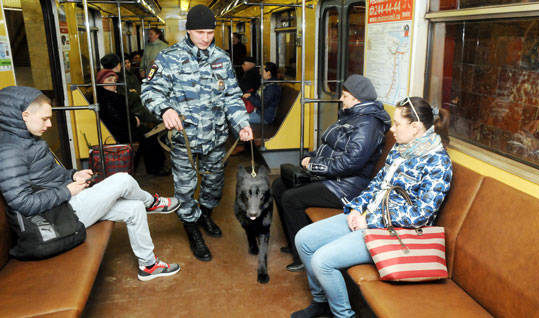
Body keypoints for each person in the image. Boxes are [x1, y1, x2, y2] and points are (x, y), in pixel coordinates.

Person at [292, 97, 453, 318]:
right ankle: (321, 302)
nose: (392, 129)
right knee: (304, 239)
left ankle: (344, 315)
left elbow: (421, 215)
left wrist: (370, 220)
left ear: (415, 127)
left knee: (323, 260)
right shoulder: (400, 148)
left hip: (394, 233)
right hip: (368, 218)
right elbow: (377, 183)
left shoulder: (438, 162)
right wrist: (357, 208)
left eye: (397, 124)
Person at [0, 86, 182, 281]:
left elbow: (47, 176)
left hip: (64, 206)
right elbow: (22, 203)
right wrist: (67, 191)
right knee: (122, 179)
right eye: (45, 119)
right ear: (25, 115)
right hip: (57, 217)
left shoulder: (29, 139)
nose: (50, 124)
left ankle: (148, 266)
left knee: (134, 208)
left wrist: (73, 176)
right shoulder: (10, 151)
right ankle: (152, 203)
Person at [141, 4, 253, 262]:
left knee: (213, 185)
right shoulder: (170, 58)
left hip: (216, 139)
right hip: (185, 140)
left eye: (210, 33)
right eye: (200, 32)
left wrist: (242, 123)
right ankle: (192, 229)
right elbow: (149, 90)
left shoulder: (222, 59)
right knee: (185, 188)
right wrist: (165, 108)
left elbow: (232, 97)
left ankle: (205, 216)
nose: (205, 38)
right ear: (188, 31)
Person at [272, 75, 391, 272]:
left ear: (357, 99)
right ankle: (294, 243)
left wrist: (313, 165)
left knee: (291, 198)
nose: (341, 99)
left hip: (347, 187)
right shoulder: (351, 116)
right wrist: (311, 157)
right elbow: (332, 147)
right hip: (333, 177)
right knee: (279, 185)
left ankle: (302, 253)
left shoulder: (368, 125)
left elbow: (351, 163)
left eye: (345, 95)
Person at [96, 69, 168, 176]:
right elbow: (120, 119)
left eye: (114, 80)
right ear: (101, 83)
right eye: (109, 80)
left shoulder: (105, 96)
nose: (113, 83)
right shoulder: (109, 98)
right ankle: (155, 168)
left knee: (147, 132)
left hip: (118, 129)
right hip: (118, 132)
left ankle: (156, 166)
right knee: (149, 135)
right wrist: (134, 120)